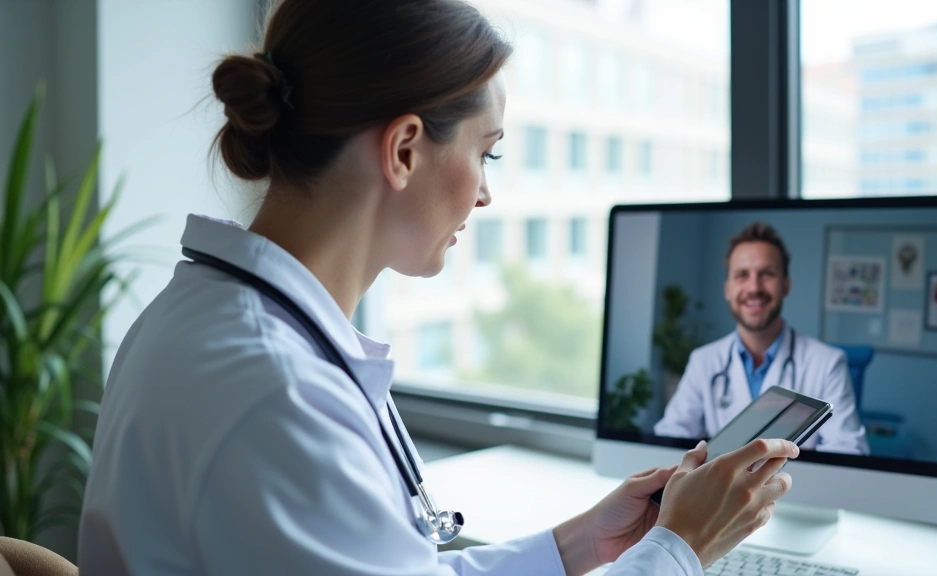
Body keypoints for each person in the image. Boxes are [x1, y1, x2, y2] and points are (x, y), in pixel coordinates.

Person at [77, 2, 799, 575]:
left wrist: (580, 544)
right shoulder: (276, 392)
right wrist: (680, 547)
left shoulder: (210, 319)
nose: (485, 194)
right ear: (403, 149)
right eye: (487, 153)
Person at [655, 222, 869, 455]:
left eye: (767, 274)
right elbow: (670, 439)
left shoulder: (827, 363)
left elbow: (849, 452)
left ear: (786, 285)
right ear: (728, 289)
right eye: (742, 275)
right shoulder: (704, 361)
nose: (754, 287)